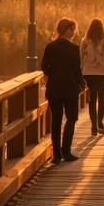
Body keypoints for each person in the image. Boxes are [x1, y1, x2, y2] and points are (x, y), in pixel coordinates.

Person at [40, 17, 86, 164]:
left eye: (74, 29)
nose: (73, 32)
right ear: (63, 29)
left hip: (54, 88)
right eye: (70, 29)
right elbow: (76, 69)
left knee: (56, 120)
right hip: (70, 88)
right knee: (71, 118)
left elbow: (43, 67)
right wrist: (81, 83)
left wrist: (52, 73)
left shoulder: (50, 46)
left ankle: (57, 155)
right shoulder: (73, 48)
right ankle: (66, 152)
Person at [80, 17, 104, 135]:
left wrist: (81, 71)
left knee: (92, 99)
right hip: (102, 73)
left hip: (88, 72)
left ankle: (93, 125)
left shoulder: (84, 40)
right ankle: (99, 122)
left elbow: (81, 57)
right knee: (102, 98)